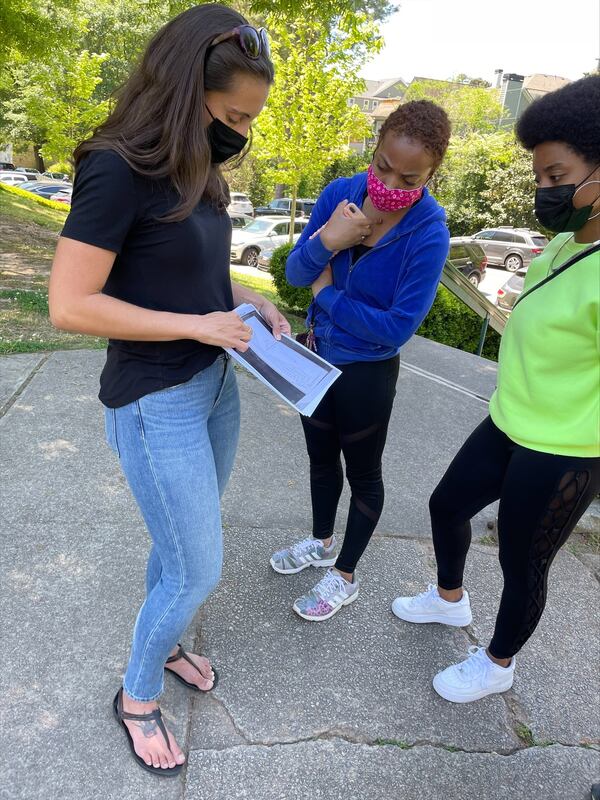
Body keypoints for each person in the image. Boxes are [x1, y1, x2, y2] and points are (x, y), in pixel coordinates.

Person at [49, 4, 287, 776]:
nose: (241, 134)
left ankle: (170, 639)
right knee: (197, 567)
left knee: (180, 548)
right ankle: (137, 695)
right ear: (187, 90)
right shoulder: (118, 165)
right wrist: (198, 328)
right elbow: (71, 305)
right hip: (156, 401)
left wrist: (239, 302)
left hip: (215, 385)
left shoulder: (198, 165)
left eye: (249, 119)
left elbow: (189, 277)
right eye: (232, 115)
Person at [391, 75, 600, 703]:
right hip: (508, 420)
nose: (545, 189)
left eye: (556, 174)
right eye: (539, 176)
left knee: (522, 560)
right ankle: (449, 600)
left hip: (565, 446)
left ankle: (498, 662)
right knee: (447, 505)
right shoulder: (567, 241)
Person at [270, 101, 452, 621]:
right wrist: (329, 240)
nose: (388, 180)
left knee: (363, 473)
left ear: (431, 173)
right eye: (381, 165)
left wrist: (328, 298)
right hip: (316, 357)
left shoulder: (428, 232)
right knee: (320, 460)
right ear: (373, 151)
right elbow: (298, 272)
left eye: (408, 175)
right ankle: (322, 542)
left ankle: (345, 575)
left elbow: (396, 327)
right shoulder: (341, 194)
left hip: (367, 373)